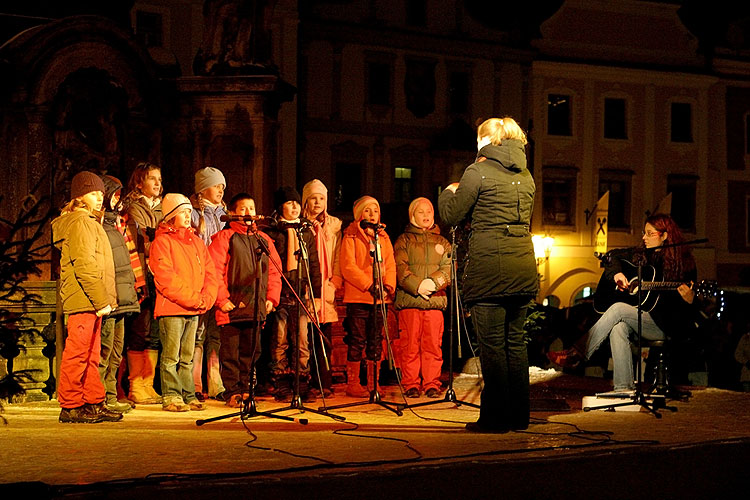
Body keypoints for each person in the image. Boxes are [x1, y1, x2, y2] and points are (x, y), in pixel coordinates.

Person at [438, 117, 538, 433]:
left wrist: (448, 192)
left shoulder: (477, 172)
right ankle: (518, 416)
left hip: (489, 269)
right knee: (516, 343)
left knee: (492, 345)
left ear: (484, 141)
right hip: (522, 265)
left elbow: (452, 214)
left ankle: (495, 418)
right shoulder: (526, 176)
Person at [548, 213, 699, 395]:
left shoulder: (685, 264)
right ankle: (623, 388)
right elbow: (612, 256)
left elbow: (689, 313)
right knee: (618, 326)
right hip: (643, 319)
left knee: (619, 309)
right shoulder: (642, 256)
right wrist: (617, 274)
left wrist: (691, 300)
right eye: (644, 232)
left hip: (667, 326)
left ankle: (577, 353)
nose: (644, 237)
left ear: (665, 235)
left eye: (649, 233)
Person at [52, 171, 122, 423]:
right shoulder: (81, 222)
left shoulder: (90, 221)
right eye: (93, 193)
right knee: (78, 353)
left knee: (93, 354)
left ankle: (92, 401)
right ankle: (70, 405)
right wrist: (100, 299)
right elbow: (84, 264)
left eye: (101, 194)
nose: (100, 198)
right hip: (84, 298)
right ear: (79, 197)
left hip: (91, 299)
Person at [209, 193, 282, 407]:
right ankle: (233, 392)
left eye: (251, 208)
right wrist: (222, 299)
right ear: (232, 213)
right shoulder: (225, 237)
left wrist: (271, 298)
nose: (249, 213)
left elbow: (275, 272)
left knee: (252, 352)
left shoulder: (264, 239)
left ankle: (247, 390)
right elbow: (214, 271)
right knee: (231, 353)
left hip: (256, 306)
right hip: (231, 307)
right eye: (243, 209)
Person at [149, 193, 219, 411]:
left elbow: (210, 273)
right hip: (172, 308)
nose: (188, 215)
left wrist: (206, 299)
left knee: (187, 356)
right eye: (182, 211)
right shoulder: (161, 242)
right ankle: (171, 395)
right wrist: (194, 299)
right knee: (171, 355)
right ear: (171, 215)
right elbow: (166, 278)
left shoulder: (197, 242)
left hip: (194, 308)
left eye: (189, 211)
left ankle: (188, 394)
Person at [265, 186, 321, 402]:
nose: (295, 207)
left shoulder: (305, 231)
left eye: (297, 203)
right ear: (281, 206)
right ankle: (280, 382)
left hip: (300, 292)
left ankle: (302, 382)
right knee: (279, 339)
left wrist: (315, 291)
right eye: (290, 203)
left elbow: (313, 263)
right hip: (281, 292)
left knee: (302, 340)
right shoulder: (273, 231)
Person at [339, 195, 397, 398]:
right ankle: (353, 383)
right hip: (359, 297)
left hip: (380, 298)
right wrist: (369, 284)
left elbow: (390, 264)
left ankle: (374, 383)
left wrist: (388, 285)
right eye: (367, 211)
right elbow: (348, 266)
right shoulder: (351, 235)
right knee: (357, 340)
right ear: (359, 214)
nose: (372, 215)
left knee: (376, 340)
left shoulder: (383, 237)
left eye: (375, 210)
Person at [394, 197, 451, 399]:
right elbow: (400, 268)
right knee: (409, 345)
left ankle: (431, 383)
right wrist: (417, 286)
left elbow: (449, 268)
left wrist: (434, 284)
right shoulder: (404, 240)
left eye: (429, 211)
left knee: (433, 345)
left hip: (434, 302)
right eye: (421, 212)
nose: (426, 215)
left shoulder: (442, 241)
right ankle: (410, 383)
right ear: (412, 216)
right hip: (410, 301)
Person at [98, 175, 142, 414]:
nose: (117, 199)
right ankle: (101, 397)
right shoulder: (100, 227)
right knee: (104, 350)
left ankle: (111, 395)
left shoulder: (117, 225)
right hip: (110, 298)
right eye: (113, 194)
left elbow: (129, 261)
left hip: (123, 296)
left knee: (116, 350)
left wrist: (137, 286)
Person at [121, 162, 163, 405]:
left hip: (161, 272)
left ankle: (149, 384)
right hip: (141, 272)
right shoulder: (132, 208)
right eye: (152, 179)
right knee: (140, 327)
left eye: (159, 178)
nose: (158, 183)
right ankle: (136, 383)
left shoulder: (163, 207)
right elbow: (143, 239)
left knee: (155, 331)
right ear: (139, 182)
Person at [301, 179, 343, 398]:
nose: (317, 203)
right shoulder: (300, 224)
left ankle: (324, 381)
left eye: (321, 198)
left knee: (324, 337)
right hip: (307, 286)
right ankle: (306, 381)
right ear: (305, 200)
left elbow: (337, 255)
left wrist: (335, 280)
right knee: (305, 337)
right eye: (313, 198)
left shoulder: (334, 226)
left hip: (326, 285)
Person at [190, 166, 228, 401]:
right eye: (216, 185)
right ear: (203, 188)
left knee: (216, 333)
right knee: (197, 334)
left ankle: (216, 384)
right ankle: (194, 384)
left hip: (220, 279)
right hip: (199, 279)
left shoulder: (225, 214)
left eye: (223, 186)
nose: (221, 190)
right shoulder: (192, 213)